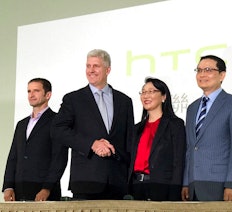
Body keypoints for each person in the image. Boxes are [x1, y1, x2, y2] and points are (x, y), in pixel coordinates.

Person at [51, 49, 134, 200]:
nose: (91, 70)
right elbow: (57, 130)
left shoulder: (124, 101)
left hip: (117, 182)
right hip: (86, 182)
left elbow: (129, 141)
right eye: (88, 66)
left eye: (96, 66)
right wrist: (91, 144)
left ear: (108, 70)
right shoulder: (73, 99)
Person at [181, 55, 232, 201]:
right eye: (199, 70)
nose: (202, 74)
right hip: (194, 185)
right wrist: (186, 182)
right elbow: (190, 148)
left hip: (221, 183)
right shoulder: (192, 108)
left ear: (222, 75)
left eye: (208, 70)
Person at [2, 78, 68, 201]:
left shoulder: (57, 121)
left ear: (48, 95)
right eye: (29, 91)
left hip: (43, 192)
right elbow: (13, 157)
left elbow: (59, 158)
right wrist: (8, 186)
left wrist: (47, 188)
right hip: (18, 192)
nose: (31, 95)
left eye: (36, 91)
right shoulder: (21, 124)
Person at [128, 77, 186, 201]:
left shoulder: (175, 124)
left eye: (151, 91)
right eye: (143, 92)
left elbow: (178, 162)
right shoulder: (136, 128)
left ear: (164, 96)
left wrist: (174, 194)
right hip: (136, 187)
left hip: (162, 187)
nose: (146, 96)